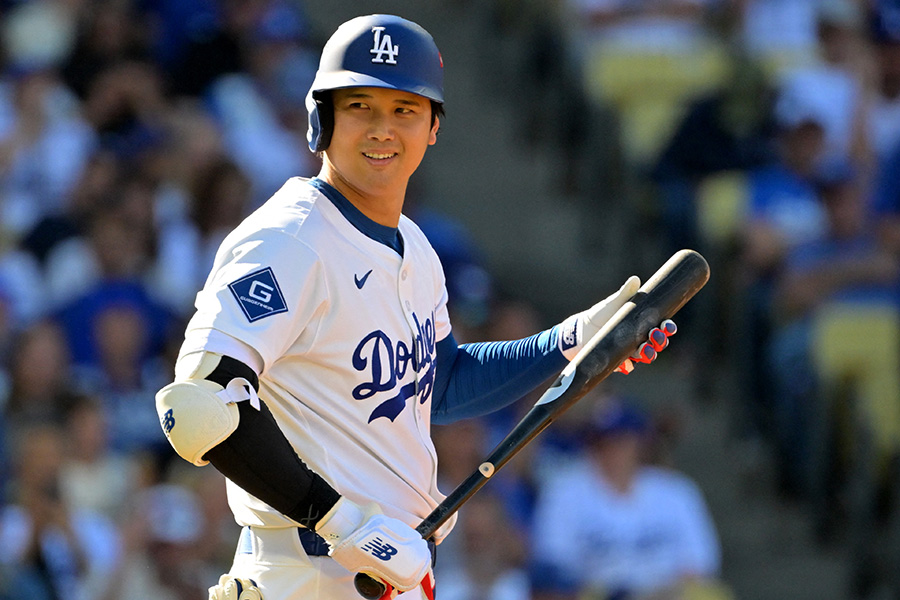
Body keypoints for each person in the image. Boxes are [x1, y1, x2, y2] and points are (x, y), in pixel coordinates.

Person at [154, 14, 677, 600]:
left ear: (432, 128)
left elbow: (440, 385)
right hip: (307, 571)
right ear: (322, 118)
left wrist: (577, 337)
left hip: (390, 570)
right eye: (360, 106)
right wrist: (341, 522)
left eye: (404, 109)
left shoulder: (415, 245)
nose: (383, 129)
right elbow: (198, 409)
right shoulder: (289, 239)